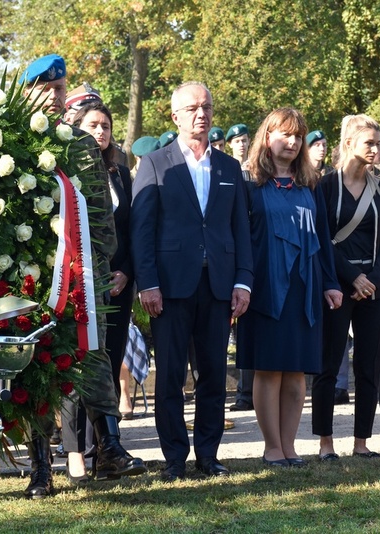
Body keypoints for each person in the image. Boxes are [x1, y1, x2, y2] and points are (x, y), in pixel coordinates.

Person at [20, 54, 144, 497]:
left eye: (60, 89)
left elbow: (100, 211)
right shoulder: (10, 141)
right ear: (27, 91)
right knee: (35, 367)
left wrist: (102, 263)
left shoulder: (81, 143)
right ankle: (40, 467)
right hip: (32, 276)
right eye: (47, 89)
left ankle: (110, 446)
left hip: (83, 273)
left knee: (93, 356)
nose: (55, 97)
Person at [130, 81, 253, 481]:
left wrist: (243, 282)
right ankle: (174, 458)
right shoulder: (155, 163)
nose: (202, 114)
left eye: (207, 107)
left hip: (218, 286)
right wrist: (147, 282)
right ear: (175, 116)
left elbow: (240, 231)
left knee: (215, 373)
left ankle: (208, 455)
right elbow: (142, 229)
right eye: (193, 108)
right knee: (169, 375)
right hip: (169, 287)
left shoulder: (230, 167)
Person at [237, 107, 341, 466]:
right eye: (286, 135)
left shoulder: (310, 185)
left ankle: (290, 446)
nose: (294, 142)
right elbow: (241, 239)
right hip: (264, 286)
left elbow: (323, 239)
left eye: (299, 136)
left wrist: (330, 282)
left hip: (304, 286)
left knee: (297, 370)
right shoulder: (248, 183)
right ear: (268, 137)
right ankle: (272, 448)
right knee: (269, 368)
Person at [58, 97, 144, 484]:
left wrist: (123, 269)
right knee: (74, 364)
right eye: (92, 125)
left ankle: (106, 450)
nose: (100, 132)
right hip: (70, 277)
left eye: (105, 126)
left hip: (113, 281)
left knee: (104, 363)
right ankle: (75, 454)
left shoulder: (120, 173)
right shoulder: (65, 162)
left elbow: (126, 229)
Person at [311, 114, 380, 460]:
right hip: (337, 284)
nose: (376, 149)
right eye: (369, 143)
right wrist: (351, 277)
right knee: (329, 364)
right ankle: (325, 442)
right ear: (348, 145)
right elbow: (320, 238)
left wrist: (372, 280)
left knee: (369, 365)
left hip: (374, 288)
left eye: (378, 143)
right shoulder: (324, 187)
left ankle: (362, 442)